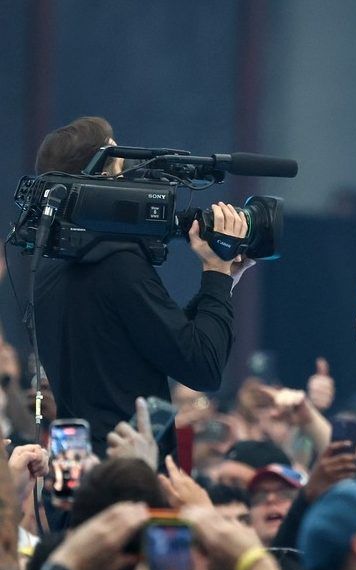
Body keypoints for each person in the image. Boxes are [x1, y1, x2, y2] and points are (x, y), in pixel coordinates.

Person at [32, 116, 253, 456]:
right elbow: (203, 367)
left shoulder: (54, 264)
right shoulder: (117, 264)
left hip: (77, 461)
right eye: (120, 163)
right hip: (125, 468)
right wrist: (216, 272)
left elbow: (166, 342)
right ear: (103, 176)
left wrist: (222, 280)